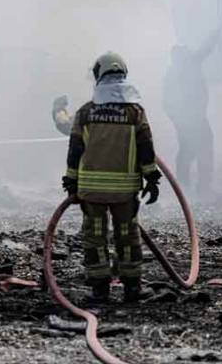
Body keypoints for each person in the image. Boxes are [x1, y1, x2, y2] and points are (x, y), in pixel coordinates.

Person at [63, 52, 162, 303]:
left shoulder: (85, 113)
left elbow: (75, 150)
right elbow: (146, 147)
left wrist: (71, 181)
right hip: (125, 192)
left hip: (92, 191)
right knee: (127, 237)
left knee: (94, 238)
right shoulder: (135, 113)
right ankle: (132, 289)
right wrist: (151, 178)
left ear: (99, 75)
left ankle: (100, 290)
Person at [162, 32, 217, 196]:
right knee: (202, 148)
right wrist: (215, 34)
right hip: (192, 118)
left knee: (188, 149)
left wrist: (177, 120)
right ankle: (201, 188)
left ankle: (185, 187)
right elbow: (203, 51)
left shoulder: (175, 71)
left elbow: (166, 103)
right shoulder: (186, 68)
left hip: (189, 118)